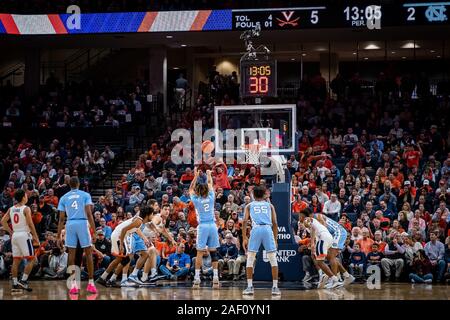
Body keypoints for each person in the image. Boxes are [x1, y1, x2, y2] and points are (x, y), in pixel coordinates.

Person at [57, 177, 97, 295]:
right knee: (88, 253)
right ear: (79, 184)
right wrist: (94, 231)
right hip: (82, 223)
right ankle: (91, 283)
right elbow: (89, 214)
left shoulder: (63, 197)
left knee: (71, 254)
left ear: (69, 184)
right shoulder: (85, 195)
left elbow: (60, 219)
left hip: (70, 224)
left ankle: (73, 285)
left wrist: (58, 235)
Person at [96, 206, 154, 287]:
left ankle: (105, 278)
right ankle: (107, 279)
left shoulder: (140, 220)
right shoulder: (139, 221)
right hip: (119, 236)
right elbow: (124, 230)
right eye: (152, 214)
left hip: (120, 236)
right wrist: (121, 245)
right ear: (147, 215)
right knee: (125, 259)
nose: (153, 216)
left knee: (121, 259)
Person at [242, 185, 280, 296]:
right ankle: (275, 287)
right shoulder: (270, 205)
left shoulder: (249, 205)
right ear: (264, 195)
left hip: (256, 228)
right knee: (273, 259)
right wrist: (276, 239)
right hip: (267, 229)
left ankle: (249, 287)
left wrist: (244, 237)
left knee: (250, 258)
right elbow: (275, 223)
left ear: (253, 195)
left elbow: (244, 221)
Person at [1, 189, 39, 292]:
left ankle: (14, 283)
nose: (27, 197)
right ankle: (23, 281)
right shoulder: (26, 208)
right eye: (26, 195)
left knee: (16, 260)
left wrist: (10, 232)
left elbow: (3, 221)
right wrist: (36, 237)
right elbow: (30, 224)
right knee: (32, 259)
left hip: (15, 236)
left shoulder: (11, 208)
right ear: (23, 197)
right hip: (24, 235)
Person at [190, 168, 220, 288]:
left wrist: (195, 176)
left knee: (199, 253)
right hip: (212, 226)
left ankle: (197, 278)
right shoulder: (211, 197)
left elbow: (191, 188)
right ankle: (216, 278)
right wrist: (208, 174)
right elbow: (210, 183)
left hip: (202, 226)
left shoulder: (196, 200)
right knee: (214, 253)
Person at [299, 208, 340, 289]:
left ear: (303, 215)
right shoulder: (313, 220)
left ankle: (334, 279)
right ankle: (329, 277)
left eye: (300, 215)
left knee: (319, 262)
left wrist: (313, 244)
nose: (299, 217)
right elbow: (313, 230)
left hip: (323, 238)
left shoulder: (307, 219)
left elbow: (312, 229)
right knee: (320, 259)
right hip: (327, 238)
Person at [314, 211, 355, 286]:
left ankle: (335, 280)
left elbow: (325, 228)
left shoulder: (317, 217)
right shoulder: (313, 222)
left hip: (338, 234)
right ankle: (347, 276)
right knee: (330, 257)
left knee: (331, 257)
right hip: (333, 235)